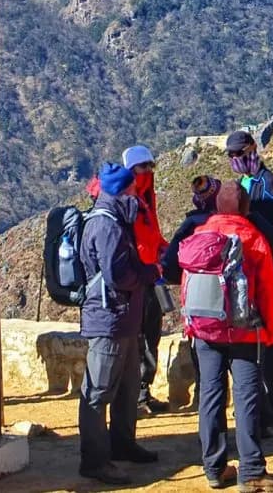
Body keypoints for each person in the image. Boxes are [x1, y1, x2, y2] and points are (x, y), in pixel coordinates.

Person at [179, 180, 273, 492]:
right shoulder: (253, 238)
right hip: (243, 332)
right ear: (246, 208)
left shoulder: (200, 235)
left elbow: (186, 281)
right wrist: (270, 332)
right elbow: (267, 291)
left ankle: (214, 468)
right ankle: (252, 472)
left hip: (204, 331)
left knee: (210, 396)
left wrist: (191, 326)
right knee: (246, 397)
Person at [78, 160, 161, 484]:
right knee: (97, 392)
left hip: (123, 317)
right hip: (109, 318)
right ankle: (95, 461)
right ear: (120, 190)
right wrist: (148, 273)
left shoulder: (114, 218)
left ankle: (123, 444)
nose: (134, 192)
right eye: (130, 188)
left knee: (127, 387)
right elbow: (117, 275)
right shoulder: (107, 225)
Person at [226, 130, 273, 430]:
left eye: (239, 154)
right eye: (230, 156)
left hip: (264, 271)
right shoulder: (244, 184)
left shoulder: (269, 185)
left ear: (253, 150)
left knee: (268, 339)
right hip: (244, 274)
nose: (235, 160)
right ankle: (258, 406)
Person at [120, 143, 172, 415]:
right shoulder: (128, 203)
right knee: (138, 337)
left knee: (150, 335)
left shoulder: (146, 199)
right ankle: (134, 396)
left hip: (151, 276)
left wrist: (164, 248)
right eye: (144, 167)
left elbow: (152, 236)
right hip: (136, 280)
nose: (149, 171)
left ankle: (142, 392)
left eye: (151, 166)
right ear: (131, 170)